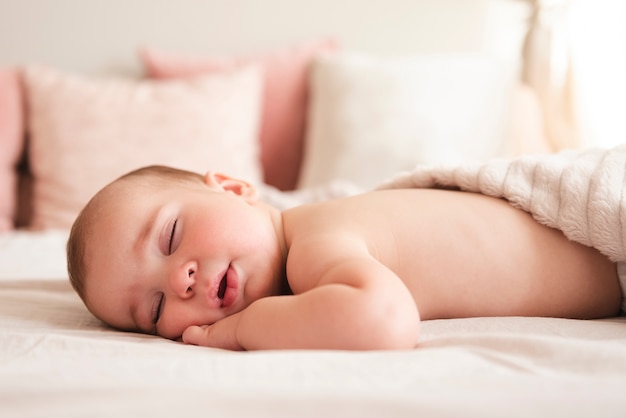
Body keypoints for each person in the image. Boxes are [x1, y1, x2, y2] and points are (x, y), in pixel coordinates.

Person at [67, 165, 623, 351]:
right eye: (156, 308)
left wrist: (240, 332)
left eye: (169, 236)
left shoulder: (315, 242)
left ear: (234, 188)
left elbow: (384, 322)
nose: (179, 278)